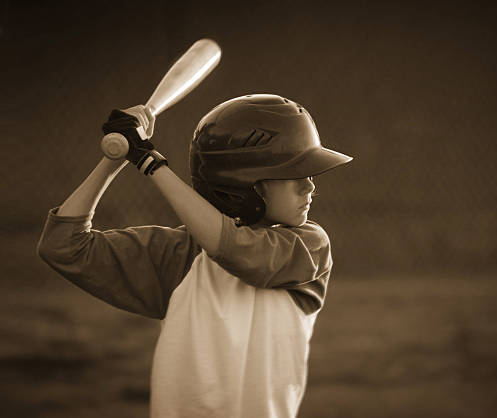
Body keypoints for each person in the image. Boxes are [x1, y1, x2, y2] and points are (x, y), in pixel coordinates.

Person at [37, 94, 353, 418]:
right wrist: (115, 159)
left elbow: (233, 249)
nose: (310, 187)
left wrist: (148, 161)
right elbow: (63, 245)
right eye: (295, 175)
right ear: (244, 185)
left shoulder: (309, 245)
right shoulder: (177, 257)